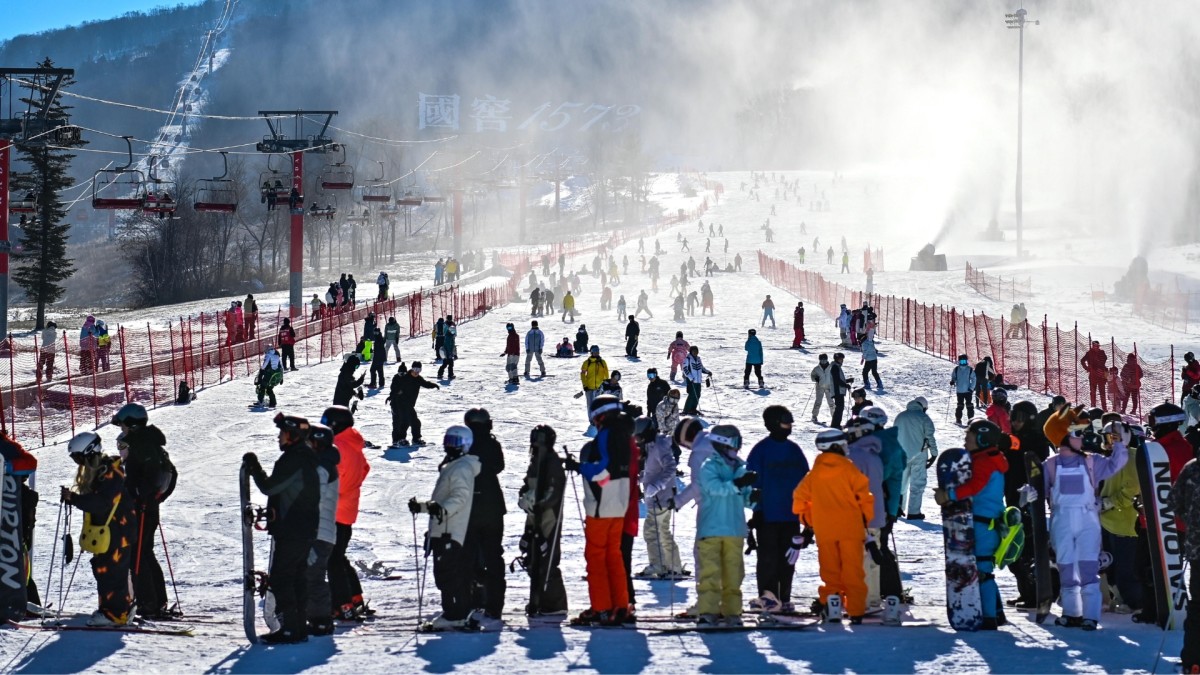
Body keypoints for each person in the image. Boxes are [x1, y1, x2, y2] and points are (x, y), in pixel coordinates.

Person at [1038, 407, 1129, 630]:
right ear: (1063, 438)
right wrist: (1029, 494)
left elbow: (1115, 465)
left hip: (1087, 519)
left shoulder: (1091, 461)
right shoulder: (1050, 465)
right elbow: (1037, 489)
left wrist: (1119, 445)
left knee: (1088, 568)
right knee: (1067, 567)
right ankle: (1071, 613)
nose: (1083, 438)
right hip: (1062, 520)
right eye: (1077, 433)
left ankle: (1090, 615)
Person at [242, 413, 320, 643]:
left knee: (282, 579)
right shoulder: (305, 457)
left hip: (293, 530)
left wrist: (253, 465)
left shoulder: (293, 459)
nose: (279, 438)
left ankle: (289, 629)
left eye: (282, 433)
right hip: (303, 528)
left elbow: (270, 487)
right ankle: (297, 628)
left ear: (293, 436)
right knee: (296, 577)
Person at [793, 429, 874, 623]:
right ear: (836, 446)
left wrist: (809, 520)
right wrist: (865, 519)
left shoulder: (814, 474)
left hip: (825, 531)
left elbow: (799, 500)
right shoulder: (849, 469)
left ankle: (832, 607)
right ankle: (855, 612)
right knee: (853, 571)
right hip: (851, 529)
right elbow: (865, 497)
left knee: (830, 572)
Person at [565, 395, 633, 626]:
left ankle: (602, 607)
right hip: (620, 502)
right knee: (614, 555)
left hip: (602, 502)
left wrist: (579, 467)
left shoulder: (606, 434)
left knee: (596, 556)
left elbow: (603, 469)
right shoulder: (624, 434)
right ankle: (620, 605)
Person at [934, 419, 1008, 630]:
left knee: (983, 570)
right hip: (988, 521)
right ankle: (997, 612)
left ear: (982, 439)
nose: (965, 442)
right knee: (984, 567)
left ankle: (989, 617)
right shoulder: (990, 458)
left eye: (969, 438)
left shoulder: (984, 462)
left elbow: (974, 487)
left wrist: (948, 495)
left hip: (983, 523)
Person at [408, 425, 481, 630]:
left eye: (455, 442)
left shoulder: (462, 467)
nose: (450, 446)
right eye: (448, 441)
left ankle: (455, 614)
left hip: (451, 530)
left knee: (448, 575)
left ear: (466, 445)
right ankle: (456, 612)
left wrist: (441, 511)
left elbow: (459, 497)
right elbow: (441, 502)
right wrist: (422, 507)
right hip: (443, 529)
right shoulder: (454, 465)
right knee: (444, 575)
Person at [61, 432, 135, 626]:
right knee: (103, 569)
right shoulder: (101, 472)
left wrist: (75, 499)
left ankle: (116, 614)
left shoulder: (111, 472)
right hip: (108, 532)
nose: (79, 463)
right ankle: (112, 609)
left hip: (119, 531)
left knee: (112, 571)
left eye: (79, 458)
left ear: (90, 452)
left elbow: (102, 503)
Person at [110, 404, 177, 620]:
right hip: (147, 506)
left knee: (137, 556)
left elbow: (152, 475)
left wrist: (142, 496)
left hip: (142, 508)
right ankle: (157, 601)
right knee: (145, 552)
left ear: (131, 423)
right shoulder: (149, 442)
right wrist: (155, 498)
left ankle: (149, 605)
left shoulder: (142, 444)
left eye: (123, 424)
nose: (122, 429)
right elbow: (171, 474)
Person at [746, 406, 809, 612]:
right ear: (772, 424)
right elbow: (753, 484)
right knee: (767, 558)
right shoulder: (761, 450)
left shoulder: (794, 450)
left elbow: (806, 483)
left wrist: (807, 517)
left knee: (788, 559)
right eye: (785, 422)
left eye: (790, 422)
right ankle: (768, 595)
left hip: (791, 516)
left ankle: (784, 596)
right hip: (767, 515)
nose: (789, 426)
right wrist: (757, 511)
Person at [693, 425, 755, 626]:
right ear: (724, 444)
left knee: (734, 574)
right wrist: (738, 484)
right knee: (710, 572)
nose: (737, 448)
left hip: (734, 529)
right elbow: (715, 489)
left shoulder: (741, 467)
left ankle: (732, 613)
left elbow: (744, 498)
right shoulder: (709, 466)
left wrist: (754, 497)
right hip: (711, 528)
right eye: (735, 443)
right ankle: (708, 612)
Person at [320, 406, 372, 622]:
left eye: (326, 421)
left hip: (336, 511)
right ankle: (354, 597)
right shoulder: (351, 444)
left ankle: (343, 605)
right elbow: (364, 469)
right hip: (345, 511)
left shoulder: (339, 447)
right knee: (338, 557)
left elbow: (339, 482)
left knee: (332, 560)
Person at [518, 426, 568, 616]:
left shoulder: (552, 462)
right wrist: (524, 496)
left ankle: (555, 603)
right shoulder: (536, 461)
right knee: (532, 556)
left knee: (546, 558)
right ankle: (539, 600)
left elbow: (555, 491)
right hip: (534, 516)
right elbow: (528, 484)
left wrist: (542, 504)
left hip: (548, 518)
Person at [463, 409, 507, 619]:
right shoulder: (492, 443)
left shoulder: (465, 442)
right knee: (493, 555)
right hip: (493, 505)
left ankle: (473, 596)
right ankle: (494, 603)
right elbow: (499, 466)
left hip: (470, 505)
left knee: (470, 553)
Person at [844, 417, 886, 609]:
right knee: (873, 559)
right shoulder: (875, 455)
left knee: (861, 559)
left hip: (859, 515)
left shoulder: (853, 456)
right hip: (876, 514)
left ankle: (864, 599)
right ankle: (874, 597)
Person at [303, 423, 340, 636]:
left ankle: (322, 620)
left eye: (309, 441)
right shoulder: (321, 464)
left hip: (318, 532)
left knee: (313, 576)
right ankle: (313, 617)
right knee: (309, 575)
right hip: (319, 531)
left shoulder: (322, 468)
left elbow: (314, 500)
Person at [1168, 438, 1200, 672]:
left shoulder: (1192, 468)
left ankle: (1193, 659)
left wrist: (1190, 521)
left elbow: (1173, 502)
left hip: (1197, 549)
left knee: (1197, 608)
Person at [638, 417, 683, 578]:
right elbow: (653, 470)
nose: (638, 440)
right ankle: (674, 565)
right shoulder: (653, 445)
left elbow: (670, 467)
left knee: (651, 531)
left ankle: (658, 565)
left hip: (661, 497)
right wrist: (642, 478)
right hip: (660, 497)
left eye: (640, 436)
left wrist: (656, 486)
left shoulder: (659, 446)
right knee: (663, 531)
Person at [895, 397, 938, 520]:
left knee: (900, 483)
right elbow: (930, 438)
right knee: (917, 485)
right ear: (923, 407)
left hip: (901, 455)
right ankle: (914, 512)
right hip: (919, 456)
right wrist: (934, 454)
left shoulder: (900, 417)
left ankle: (897, 508)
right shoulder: (924, 418)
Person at [387, 362, 439, 446]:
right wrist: (392, 396)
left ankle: (416, 439)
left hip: (409, 405)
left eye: (419, 370)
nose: (416, 371)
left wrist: (433, 385)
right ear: (411, 369)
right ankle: (400, 439)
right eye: (415, 369)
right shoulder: (404, 377)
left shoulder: (418, 378)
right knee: (404, 421)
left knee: (415, 422)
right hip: (400, 404)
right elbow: (395, 387)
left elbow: (425, 383)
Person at [682, 345, 711, 416]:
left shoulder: (698, 359)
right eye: (694, 351)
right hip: (692, 381)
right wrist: (690, 377)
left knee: (697, 395)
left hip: (698, 381)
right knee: (691, 395)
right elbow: (685, 369)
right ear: (691, 351)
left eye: (696, 351)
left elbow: (701, 368)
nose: (695, 352)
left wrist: (707, 372)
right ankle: (686, 410)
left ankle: (693, 408)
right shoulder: (687, 359)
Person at [1080, 341, 1109, 409]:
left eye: (1098, 346)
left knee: (1102, 392)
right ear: (1093, 346)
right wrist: (1087, 368)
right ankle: (1093, 407)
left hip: (1101, 375)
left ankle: (1104, 408)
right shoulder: (1089, 353)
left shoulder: (1102, 352)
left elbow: (1104, 359)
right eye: (1095, 346)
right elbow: (1082, 361)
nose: (1097, 347)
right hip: (1093, 375)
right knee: (1093, 392)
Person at [951, 354, 977, 424]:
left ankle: (971, 419)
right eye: (961, 362)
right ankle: (958, 418)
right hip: (959, 391)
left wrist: (971, 388)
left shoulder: (969, 369)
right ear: (959, 361)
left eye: (964, 361)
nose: (963, 363)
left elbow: (974, 379)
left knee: (969, 405)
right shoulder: (956, 369)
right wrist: (952, 381)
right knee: (960, 405)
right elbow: (954, 377)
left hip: (968, 391)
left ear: (966, 361)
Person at [829, 353, 853, 429]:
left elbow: (839, 380)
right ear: (836, 359)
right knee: (839, 408)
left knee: (840, 408)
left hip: (838, 390)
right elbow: (837, 381)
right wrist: (846, 385)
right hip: (837, 391)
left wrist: (847, 381)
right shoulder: (835, 367)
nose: (842, 360)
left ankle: (836, 424)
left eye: (842, 359)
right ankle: (835, 425)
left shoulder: (837, 367)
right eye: (840, 359)